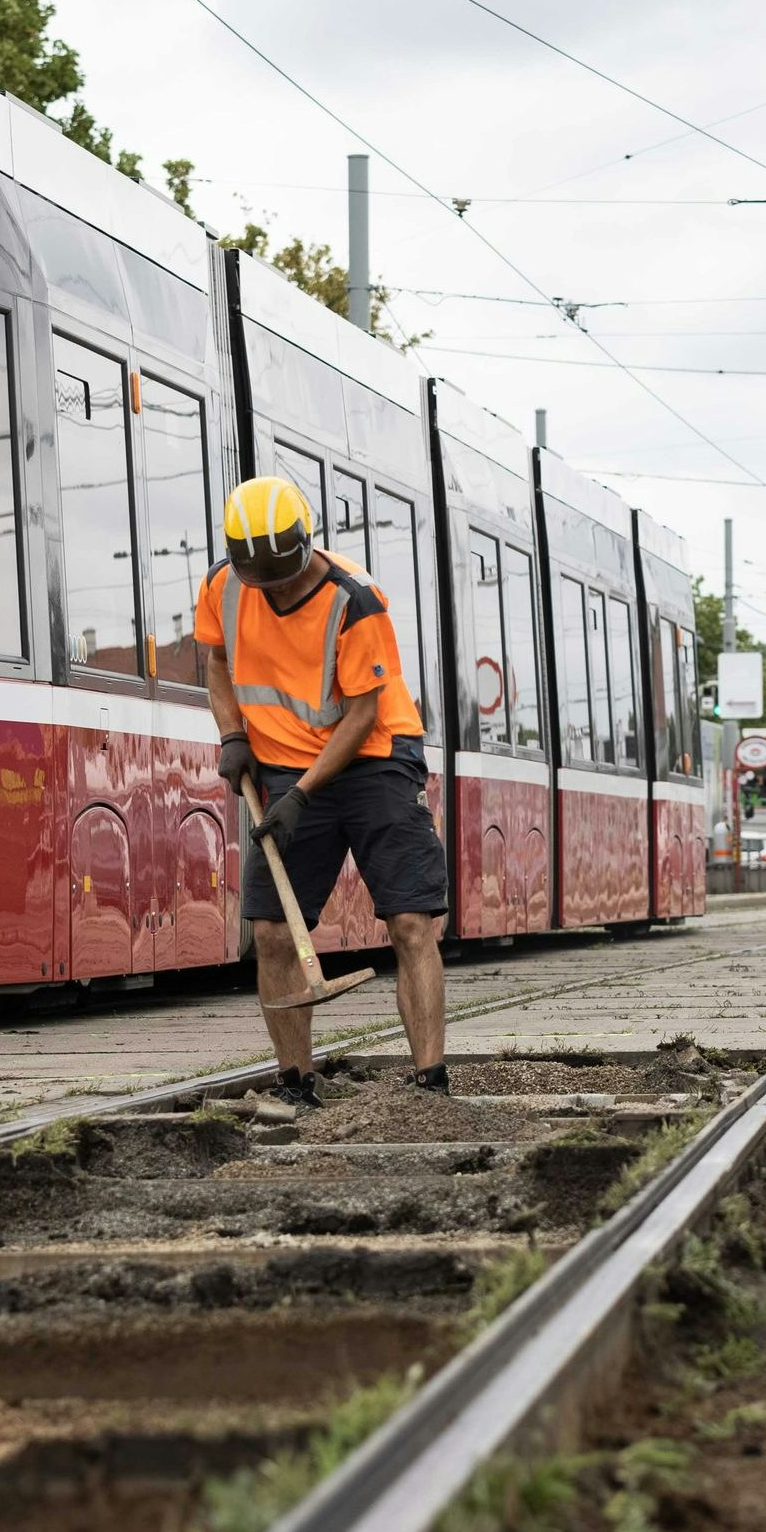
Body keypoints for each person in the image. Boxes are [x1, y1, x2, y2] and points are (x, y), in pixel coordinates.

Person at [198, 473, 450, 1109]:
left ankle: (430, 1082)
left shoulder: (353, 599)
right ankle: (294, 1082)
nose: (274, 588)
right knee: (274, 932)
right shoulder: (224, 585)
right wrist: (233, 735)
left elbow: (362, 714)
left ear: (305, 545)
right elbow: (216, 663)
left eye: (282, 575)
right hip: (283, 767)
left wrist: (303, 795)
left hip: (374, 761)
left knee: (411, 923)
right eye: (262, 578)